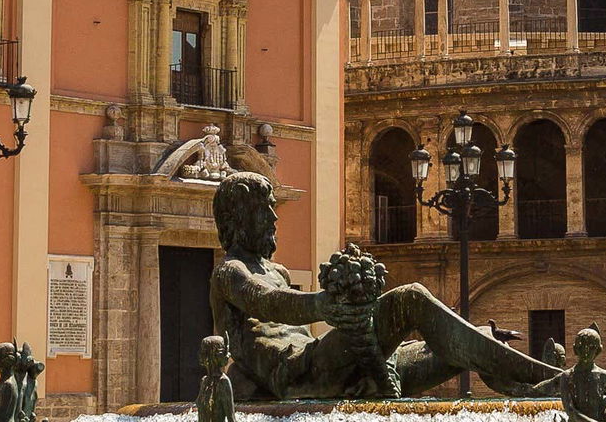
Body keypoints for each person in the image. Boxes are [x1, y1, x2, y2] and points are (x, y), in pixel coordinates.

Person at [208, 171, 561, 399]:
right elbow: (269, 302)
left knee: (458, 347)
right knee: (411, 299)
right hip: (300, 373)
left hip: (329, 365)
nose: (273, 218)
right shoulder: (231, 272)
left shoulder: (279, 271)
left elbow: (280, 299)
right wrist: (324, 305)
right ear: (238, 216)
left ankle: (533, 388)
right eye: (264, 210)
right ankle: (552, 378)